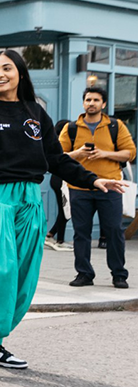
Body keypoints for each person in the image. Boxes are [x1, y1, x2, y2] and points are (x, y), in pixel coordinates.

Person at [0, 50, 125, 376]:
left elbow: (56, 159)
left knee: (21, 276)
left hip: (29, 199)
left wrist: (92, 179)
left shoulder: (35, 113)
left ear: (20, 72)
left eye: (6, 68)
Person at [61, 86, 135, 288]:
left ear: (103, 104)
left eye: (95, 100)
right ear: (83, 103)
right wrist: (78, 154)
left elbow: (130, 153)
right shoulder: (72, 128)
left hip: (110, 187)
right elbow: (59, 156)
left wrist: (105, 154)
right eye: (88, 100)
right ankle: (84, 274)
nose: (91, 103)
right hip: (79, 187)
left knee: (114, 231)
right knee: (81, 233)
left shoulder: (115, 126)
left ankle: (119, 274)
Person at [46, 119, 73, 252]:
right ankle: (60, 240)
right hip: (61, 180)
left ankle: (51, 234)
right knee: (65, 210)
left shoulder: (55, 142)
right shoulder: (61, 144)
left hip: (57, 179)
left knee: (65, 210)